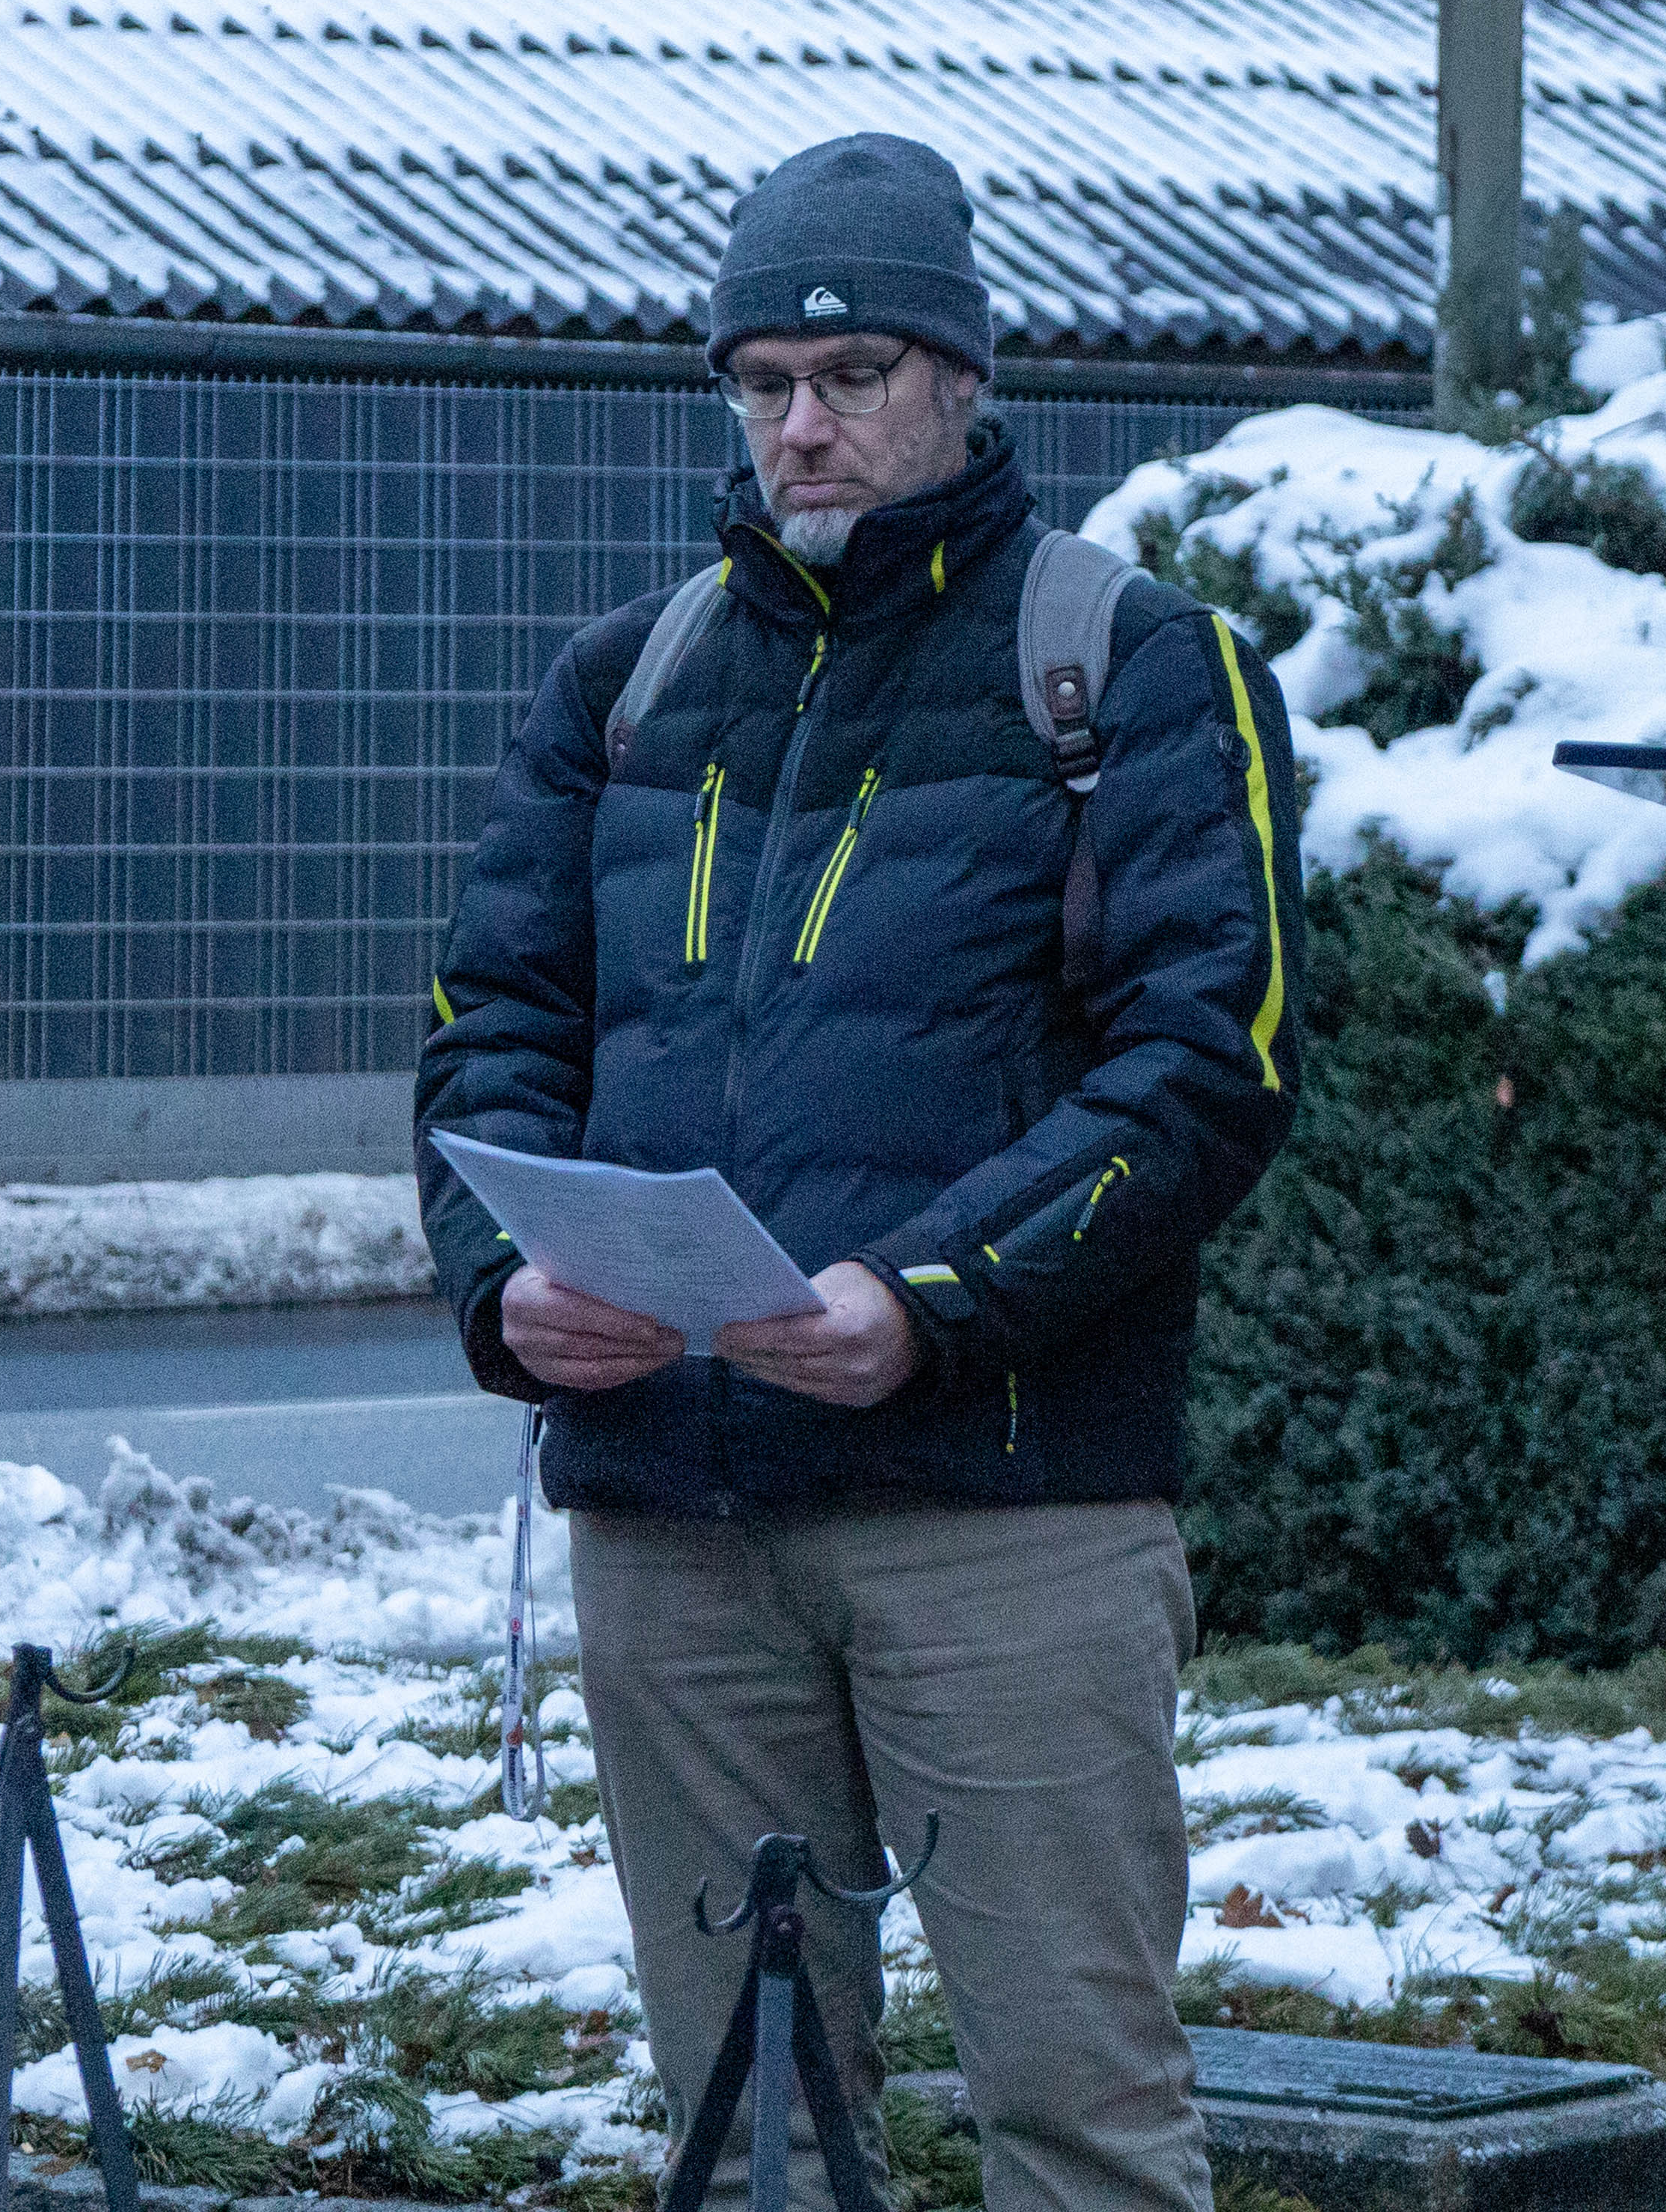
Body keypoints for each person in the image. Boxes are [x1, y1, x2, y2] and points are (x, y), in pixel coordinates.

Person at [418, 130, 1304, 2212]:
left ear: (964, 381)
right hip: (674, 1509)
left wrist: (926, 1304)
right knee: (748, 2136)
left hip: (1006, 1520)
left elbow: (1213, 1065)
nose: (799, 425)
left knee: (1079, 2122)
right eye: (761, 383)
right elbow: (489, 1028)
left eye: (852, 374)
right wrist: (501, 1289)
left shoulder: (1129, 662)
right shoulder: (623, 686)